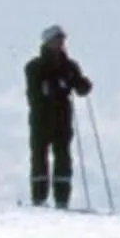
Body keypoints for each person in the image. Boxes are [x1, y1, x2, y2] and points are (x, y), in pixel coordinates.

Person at [25, 24, 94, 208]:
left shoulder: (70, 66)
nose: (61, 42)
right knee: (40, 156)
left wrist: (83, 85)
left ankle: (62, 200)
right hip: (41, 119)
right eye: (57, 39)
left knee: (63, 157)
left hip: (62, 119)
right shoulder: (35, 66)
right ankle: (39, 198)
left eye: (62, 39)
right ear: (48, 42)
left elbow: (79, 88)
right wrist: (60, 85)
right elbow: (37, 92)